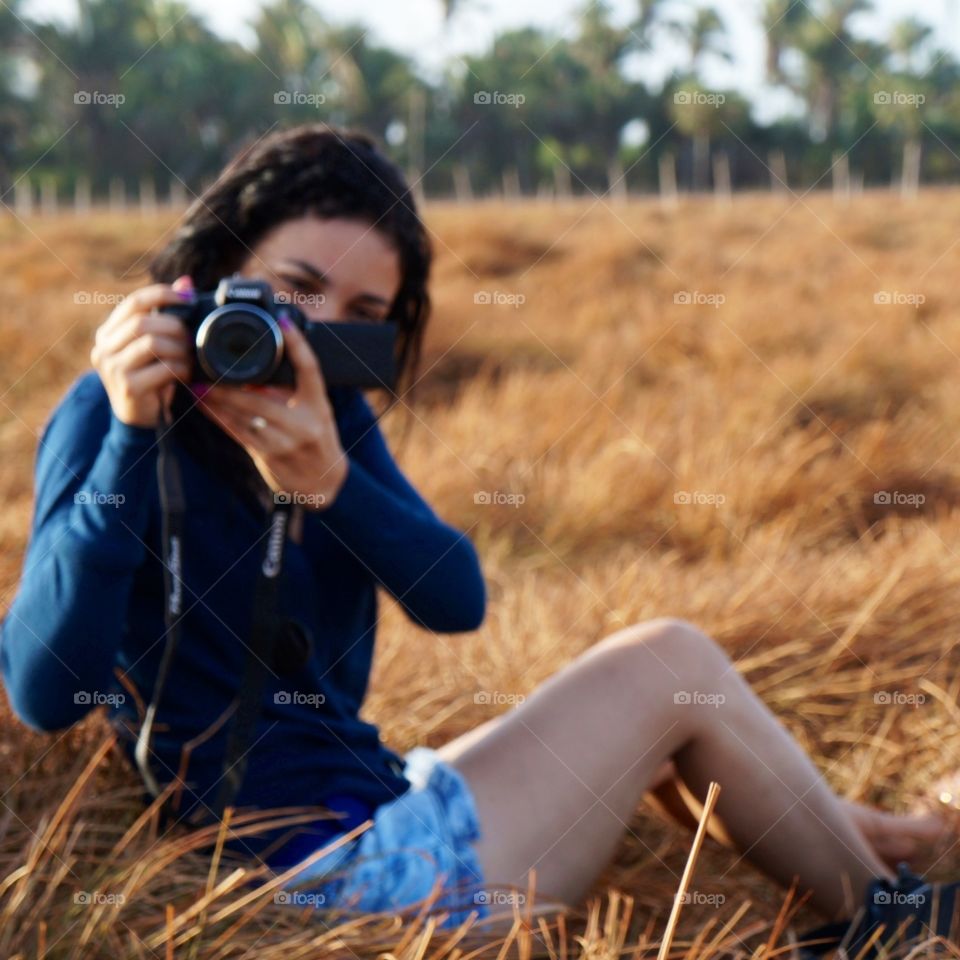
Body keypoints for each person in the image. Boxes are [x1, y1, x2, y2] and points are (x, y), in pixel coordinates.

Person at [0, 124, 954, 942]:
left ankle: (881, 848)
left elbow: (456, 603)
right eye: (293, 290)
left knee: (651, 738)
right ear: (211, 277)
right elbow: (44, 692)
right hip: (319, 878)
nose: (315, 330)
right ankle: (888, 928)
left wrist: (329, 482)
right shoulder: (111, 417)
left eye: (363, 316)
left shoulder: (331, 415)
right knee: (672, 666)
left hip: (372, 798)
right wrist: (129, 432)